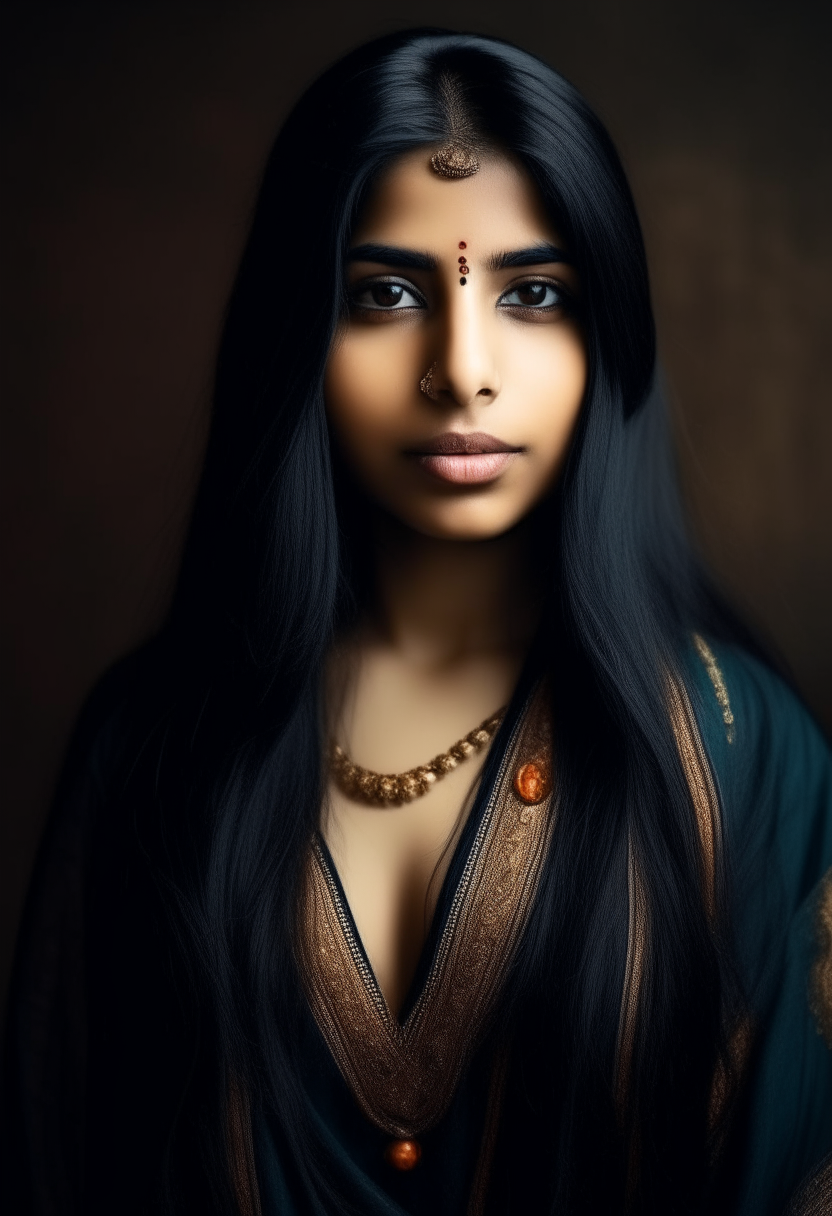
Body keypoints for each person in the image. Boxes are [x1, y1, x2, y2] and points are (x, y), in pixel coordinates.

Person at [3, 28, 831, 1216]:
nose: (462, 367)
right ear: (298, 333)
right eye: (386, 293)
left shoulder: (743, 759)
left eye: (533, 294)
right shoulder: (152, 747)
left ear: (612, 343)